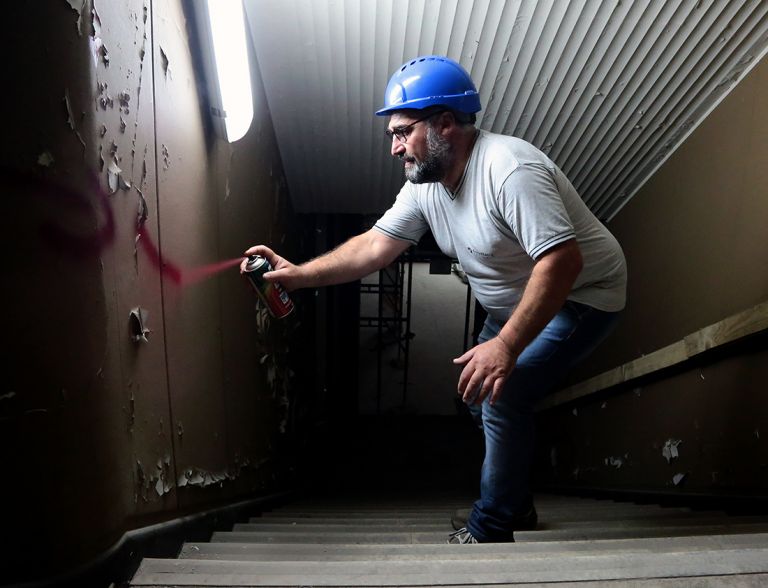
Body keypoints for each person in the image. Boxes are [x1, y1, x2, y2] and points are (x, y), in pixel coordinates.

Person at [242, 55, 627, 544]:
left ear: (445, 123)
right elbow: (375, 247)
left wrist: (505, 347)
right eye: (392, 137)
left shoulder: (509, 170)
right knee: (475, 395)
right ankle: (515, 505)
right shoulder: (425, 185)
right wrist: (297, 276)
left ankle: (491, 526)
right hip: (511, 302)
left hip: (583, 296)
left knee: (502, 394)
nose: (395, 148)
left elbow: (561, 264)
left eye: (402, 132)